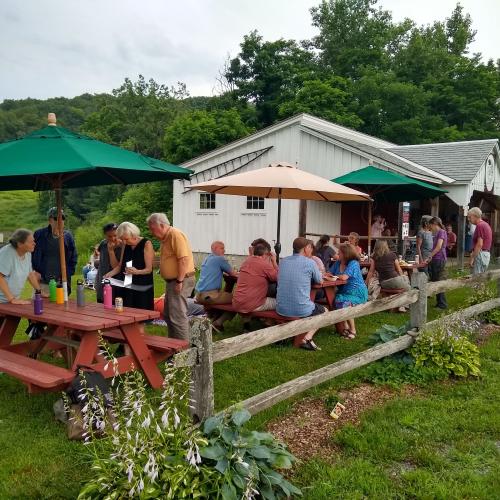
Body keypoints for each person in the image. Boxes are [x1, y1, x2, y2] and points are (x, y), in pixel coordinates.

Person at [147, 212, 196, 341]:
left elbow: (183, 259)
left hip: (180, 280)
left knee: (177, 316)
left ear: (161, 225)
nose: (152, 232)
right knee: (169, 315)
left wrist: (179, 281)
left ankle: (183, 353)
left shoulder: (175, 234)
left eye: (152, 228)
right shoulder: (166, 238)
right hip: (173, 281)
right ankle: (173, 346)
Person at [277, 237, 325, 351]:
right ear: (306, 248)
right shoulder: (310, 263)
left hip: (280, 308)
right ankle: (307, 338)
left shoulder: (283, 261)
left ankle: (286, 336)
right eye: (310, 247)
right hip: (300, 309)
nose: (311, 250)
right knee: (325, 311)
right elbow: (320, 281)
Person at [105, 222, 154, 310]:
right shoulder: (125, 244)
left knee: (141, 314)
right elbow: (120, 265)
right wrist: (109, 274)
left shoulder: (146, 244)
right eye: (122, 239)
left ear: (134, 235)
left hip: (142, 285)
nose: (124, 242)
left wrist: (137, 272)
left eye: (126, 239)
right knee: (127, 312)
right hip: (127, 284)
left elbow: (149, 269)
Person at [32, 207, 77, 296]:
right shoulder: (39, 234)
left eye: (63, 218)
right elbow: (31, 254)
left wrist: (67, 274)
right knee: (40, 307)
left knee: (62, 308)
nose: (60, 221)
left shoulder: (68, 236)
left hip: (61, 283)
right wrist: (34, 270)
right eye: (56, 218)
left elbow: (73, 257)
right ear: (50, 220)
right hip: (43, 282)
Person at [330, 243, 368, 339]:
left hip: (357, 292)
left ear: (345, 253)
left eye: (339, 252)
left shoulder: (353, 263)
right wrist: (330, 275)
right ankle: (346, 327)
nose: (337, 254)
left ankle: (352, 330)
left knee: (344, 303)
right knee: (337, 300)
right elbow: (328, 273)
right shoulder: (338, 263)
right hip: (344, 292)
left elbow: (344, 277)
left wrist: (334, 276)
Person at [233, 243, 279, 313]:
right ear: (266, 254)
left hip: (237, 303)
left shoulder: (246, 262)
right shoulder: (264, 264)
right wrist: (274, 262)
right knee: (281, 303)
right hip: (252, 305)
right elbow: (278, 277)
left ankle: (264, 321)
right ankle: (269, 322)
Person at [0, 229, 42, 304]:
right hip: (2, 301)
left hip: (13, 300)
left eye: (34, 241)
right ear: (19, 244)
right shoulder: (7, 253)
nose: (34, 244)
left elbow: (30, 274)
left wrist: (39, 291)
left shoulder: (27, 253)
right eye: (31, 242)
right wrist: (12, 299)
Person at [195, 241, 237, 305]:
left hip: (198, 295)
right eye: (222, 248)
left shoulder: (207, 258)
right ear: (215, 249)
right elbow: (233, 274)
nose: (224, 251)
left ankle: (214, 315)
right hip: (210, 296)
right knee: (238, 299)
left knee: (225, 296)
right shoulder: (219, 259)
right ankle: (224, 315)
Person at [95, 223, 122, 302]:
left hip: (115, 284)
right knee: (100, 305)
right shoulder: (103, 243)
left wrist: (111, 251)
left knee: (112, 306)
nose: (113, 238)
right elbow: (100, 258)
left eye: (115, 235)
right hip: (101, 280)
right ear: (105, 235)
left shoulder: (122, 247)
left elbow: (116, 267)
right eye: (109, 236)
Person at [426, 217, 448, 309]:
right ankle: (439, 302)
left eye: (431, 226)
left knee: (438, 281)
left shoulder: (441, 232)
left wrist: (430, 255)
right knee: (435, 280)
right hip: (436, 259)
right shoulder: (438, 233)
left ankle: (442, 304)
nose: (431, 228)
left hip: (439, 259)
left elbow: (439, 246)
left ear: (435, 224)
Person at [468, 207, 492, 275]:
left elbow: (479, 244)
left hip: (481, 254)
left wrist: (472, 257)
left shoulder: (480, 226)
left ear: (475, 216)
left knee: (476, 279)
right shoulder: (485, 224)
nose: (469, 219)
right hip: (485, 254)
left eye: (470, 217)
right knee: (481, 279)